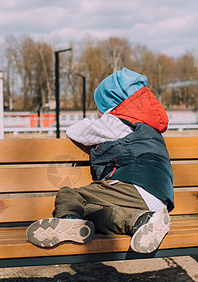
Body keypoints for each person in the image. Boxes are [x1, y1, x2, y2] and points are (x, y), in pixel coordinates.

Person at [26, 67, 174, 253]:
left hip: (134, 186)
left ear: (111, 106)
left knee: (70, 194)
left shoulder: (116, 122)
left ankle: (68, 220)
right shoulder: (146, 127)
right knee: (93, 212)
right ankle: (139, 221)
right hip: (158, 199)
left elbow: (76, 131)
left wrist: (101, 116)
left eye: (99, 106)